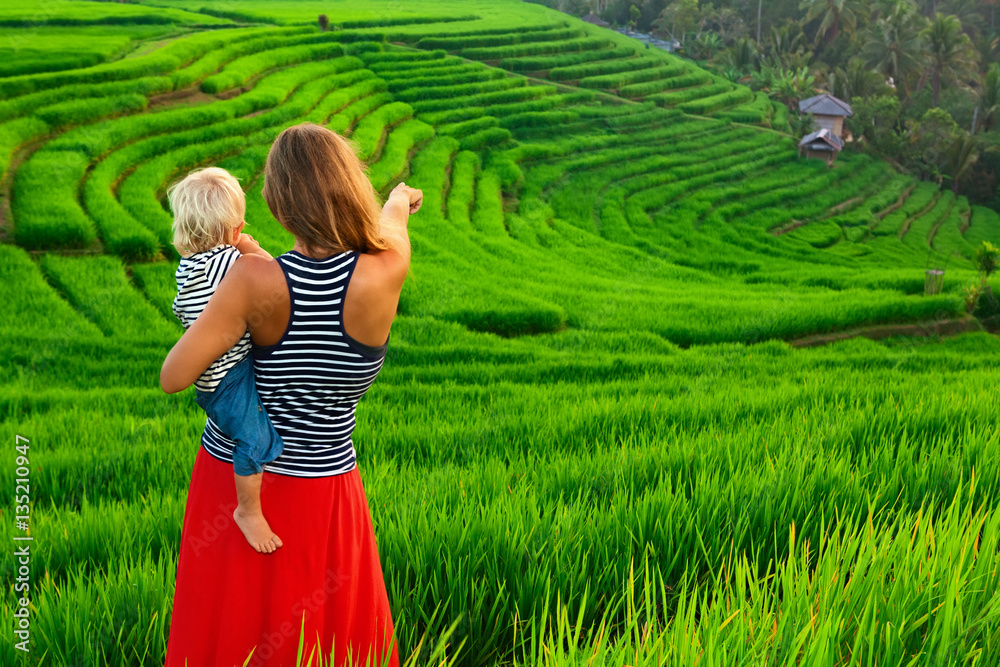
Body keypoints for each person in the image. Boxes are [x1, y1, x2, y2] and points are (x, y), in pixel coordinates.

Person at [160, 123, 422, 667]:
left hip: (236, 484)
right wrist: (397, 201)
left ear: (277, 208)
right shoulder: (388, 268)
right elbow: (391, 226)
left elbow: (175, 375)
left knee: (232, 635)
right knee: (328, 644)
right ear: (352, 189)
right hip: (328, 489)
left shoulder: (255, 280)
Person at [168, 166, 285, 555]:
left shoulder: (189, 268)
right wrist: (249, 247)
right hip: (227, 379)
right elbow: (274, 275)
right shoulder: (229, 263)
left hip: (216, 377)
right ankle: (248, 510)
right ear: (235, 229)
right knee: (253, 437)